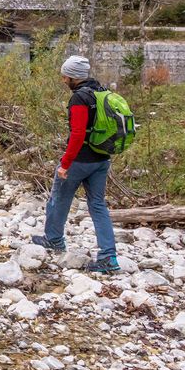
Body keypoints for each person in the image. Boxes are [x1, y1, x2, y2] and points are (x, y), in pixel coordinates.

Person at [31, 55, 119, 273]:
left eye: (65, 76)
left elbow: (78, 134)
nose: (63, 80)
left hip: (80, 161)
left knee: (59, 198)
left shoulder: (80, 98)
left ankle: (54, 240)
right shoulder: (100, 91)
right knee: (98, 206)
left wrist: (65, 163)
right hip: (101, 159)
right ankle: (109, 257)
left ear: (73, 77)